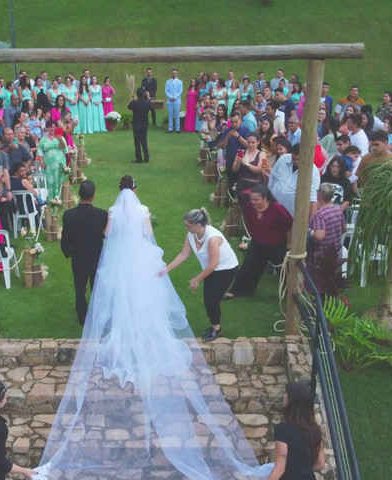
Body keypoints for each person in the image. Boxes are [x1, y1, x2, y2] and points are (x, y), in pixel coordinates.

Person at [33, 176, 272, 480]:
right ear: (135, 190)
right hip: (140, 256)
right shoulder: (143, 209)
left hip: (121, 257)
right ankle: (146, 328)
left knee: (123, 292)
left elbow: (108, 234)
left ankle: (126, 328)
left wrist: (119, 235)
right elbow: (148, 235)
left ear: (120, 191)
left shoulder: (114, 212)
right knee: (145, 296)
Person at [163, 208, 239, 342]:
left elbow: (214, 263)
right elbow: (183, 254)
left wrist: (196, 279)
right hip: (211, 269)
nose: (186, 228)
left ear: (198, 225)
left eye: (188, 225)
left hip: (226, 269)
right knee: (210, 298)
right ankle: (215, 325)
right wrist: (166, 269)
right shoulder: (191, 234)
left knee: (211, 299)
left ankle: (216, 328)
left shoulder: (212, 238)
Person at [225, 184, 293, 299]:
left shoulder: (277, 209)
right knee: (248, 266)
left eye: (256, 200)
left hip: (276, 244)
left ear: (265, 198)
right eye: (252, 199)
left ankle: (292, 294)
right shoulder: (249, 207)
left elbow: (289, 226)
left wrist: (290, 243)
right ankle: (237, 291)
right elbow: (250, 222)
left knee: (284, 270)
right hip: (258, 242)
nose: (253, 202)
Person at [60, 180, 108, 325]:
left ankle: (82, 314)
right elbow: (104, 234)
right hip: (96, 258)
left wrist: (68, 252)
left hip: (79, 257)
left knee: (79, 288)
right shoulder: (101, 214)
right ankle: (97, 313)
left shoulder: (69, 215)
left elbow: (65, 239)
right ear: (93, 196)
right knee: (96, 287)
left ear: (80, 194)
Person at [265, 381, 325, 480]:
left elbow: (280, 467)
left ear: (291, 399)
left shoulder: (283, 429)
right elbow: (321, 464)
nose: (283, 396)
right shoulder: (314, 429)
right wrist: (303, 470)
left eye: (285, 393)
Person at [268, 140, 320, 218]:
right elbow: (272, 177)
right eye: (293, 159)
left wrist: (311, 223)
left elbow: (313, 199)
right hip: (273, 207)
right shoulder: (283, 159)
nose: (296, 161)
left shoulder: (313, 172)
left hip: (292, 214)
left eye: (299, 160)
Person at [217, 110, 251, 187]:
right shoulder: (227, 131)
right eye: (232, 122)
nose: (234, 124)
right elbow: (222, 146)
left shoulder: (245, 130)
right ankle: (230, 198)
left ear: (240, 120)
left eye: (236, 122)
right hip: (230, 161)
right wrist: (227, 138)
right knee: (231, 184)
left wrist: (238, 137)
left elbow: (248, 146)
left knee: (241, 184)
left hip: (242, 162)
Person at [36, 121, 67, 199]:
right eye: (50, 127)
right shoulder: (43, 139)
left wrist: (60, 141)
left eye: (54, 127)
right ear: (47, 128)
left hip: (59, 162)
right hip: (48, 163)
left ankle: (61, 198)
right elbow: (39, 151)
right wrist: (42, 162)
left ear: (56, 128)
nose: (52, 129)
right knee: (50, 179)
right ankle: (51, 198)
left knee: (59, 178)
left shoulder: (60, 137)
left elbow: (64, 148)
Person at [128, 88, 151, 163]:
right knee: (144, 140)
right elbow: (150, 104)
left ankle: (139, 158)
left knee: (137, 142)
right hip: (144, 124)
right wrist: (148, 97)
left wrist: (134, 99)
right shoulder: (148, 102)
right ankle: (146, 157)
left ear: (137, 95)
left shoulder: (135, 103)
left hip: (137, 124)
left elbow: (129, 107)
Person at [165, 68, 183, 133]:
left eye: (175, 73)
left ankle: (177, 128)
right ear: (171, 73)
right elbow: (166, 91)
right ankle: (170, 128)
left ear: (177, 73)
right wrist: (170, 97)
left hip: (177, 101)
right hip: (170, 101)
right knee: (170, 115)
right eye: (172, 73)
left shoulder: (180, 82)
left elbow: (180, 91)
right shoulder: (167, 81)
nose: (173, 74)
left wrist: (175, 97)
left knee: (177, 115)